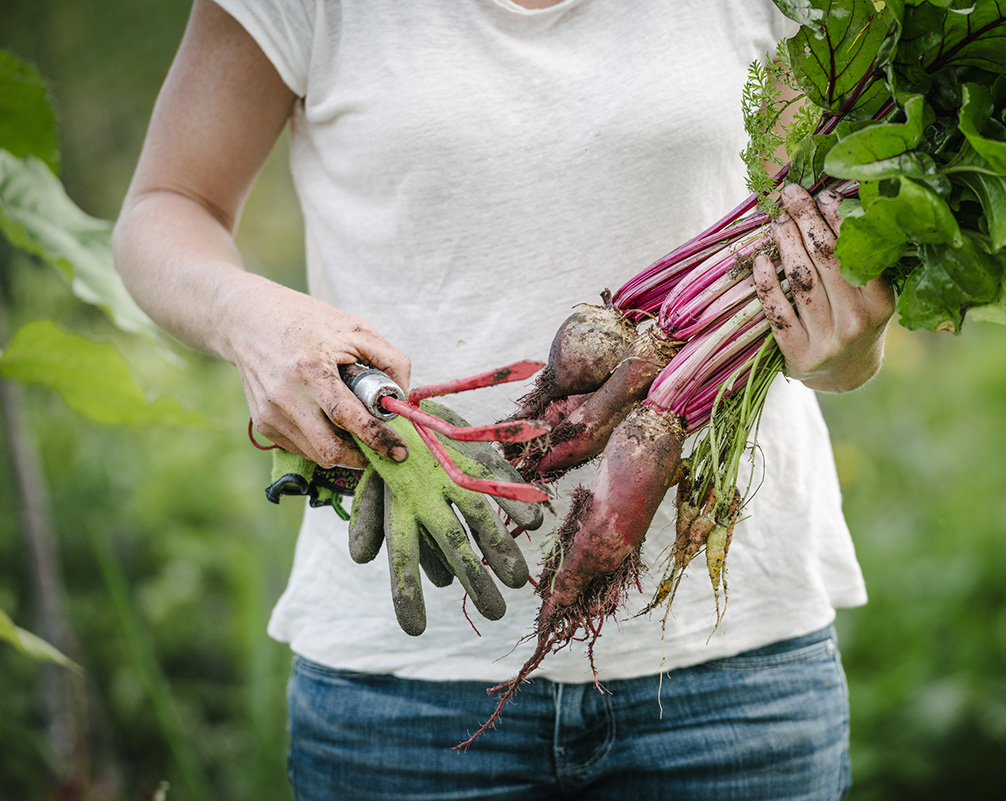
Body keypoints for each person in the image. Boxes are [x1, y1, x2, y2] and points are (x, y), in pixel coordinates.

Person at [113, 0, 895, 798]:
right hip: (404, 689)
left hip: (731, 674)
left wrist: (847, 347)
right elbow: (165, 205)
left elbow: (814, 217)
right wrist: (252, 322)